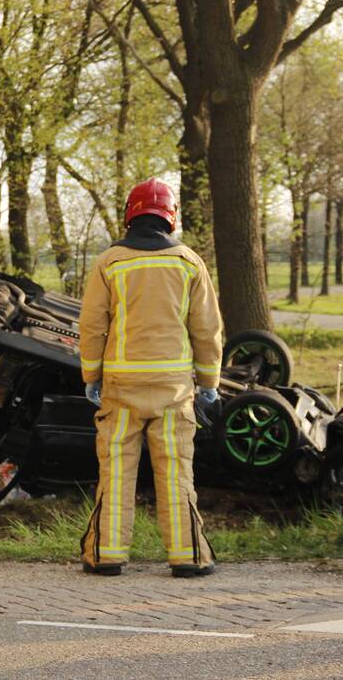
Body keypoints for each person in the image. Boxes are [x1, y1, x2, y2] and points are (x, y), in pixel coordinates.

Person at [78, 177, 223, 578]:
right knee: (175, 472)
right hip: (174, 391)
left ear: (130, 215)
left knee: (116, 472)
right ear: (171, 216)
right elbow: (207, 329)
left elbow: (92, 325)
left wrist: (92, 374)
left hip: (121, 388)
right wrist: (209, 383)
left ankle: (106, 555)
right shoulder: (189, 262)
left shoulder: (110, 262)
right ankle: (189, 557)